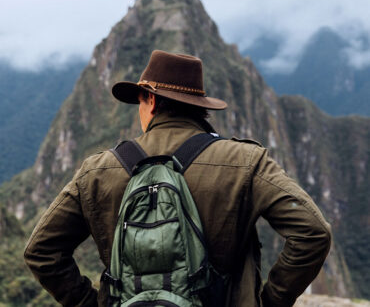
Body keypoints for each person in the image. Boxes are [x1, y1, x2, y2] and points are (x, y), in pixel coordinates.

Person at [24, 50, 331, 306]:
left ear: (151, 101)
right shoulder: (246, 161)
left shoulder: (98, 171)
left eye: (140, 102)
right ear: (199, 107)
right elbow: (313, 233)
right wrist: (269, 302)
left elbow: (40, 251)